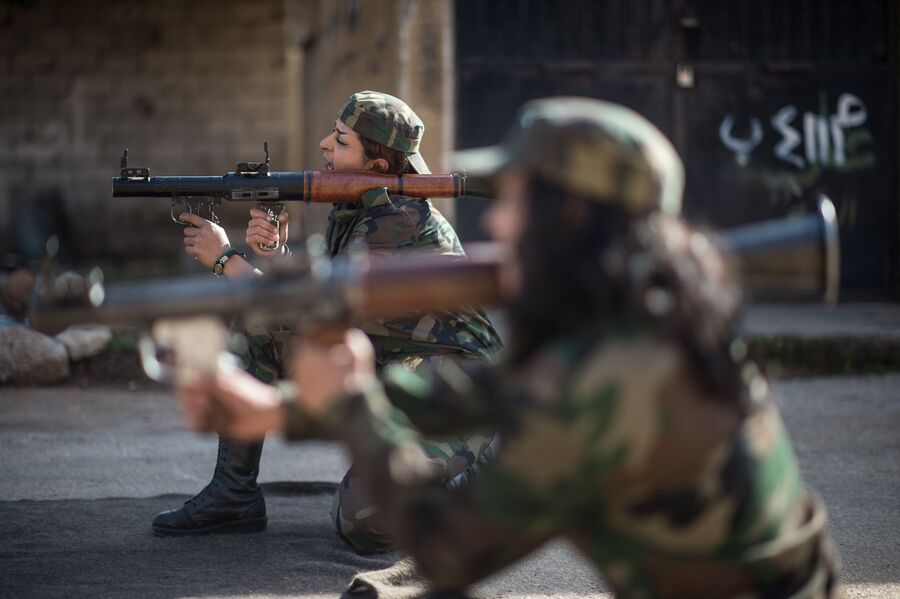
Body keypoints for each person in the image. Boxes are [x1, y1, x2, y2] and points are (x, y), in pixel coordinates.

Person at [177, 97, 840, 597]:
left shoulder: (605, 379)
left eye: (516, 201)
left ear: (570, 220)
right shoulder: (630, 327)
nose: (493, 221)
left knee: (371, 516)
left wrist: (348, 404)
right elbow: (477, 390)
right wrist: (283, 413)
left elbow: (449, 549)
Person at [154, 91, 502, 554]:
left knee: (365, 519)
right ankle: (234, 495)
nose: (323, 145)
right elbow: (329, 303)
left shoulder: (397, 221)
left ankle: (487, 488)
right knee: (264, 320)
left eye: (340, 141)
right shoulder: (363, 206)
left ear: (378, 166)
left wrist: (226, 260)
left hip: (459, 394)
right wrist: (275, 255)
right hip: (398, 367)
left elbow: (323, 305)